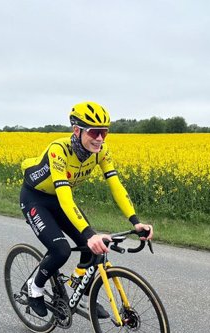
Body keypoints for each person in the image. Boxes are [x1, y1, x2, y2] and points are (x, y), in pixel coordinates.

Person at [19, 101, 153, 318]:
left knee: (91, 249)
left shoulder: (101, 152)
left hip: (60, 200)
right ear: (77, 130)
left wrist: (135, 221)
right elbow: (65, 196)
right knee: (60, 250)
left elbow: (116, 186)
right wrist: (90, 234)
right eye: (94, 132)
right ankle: (35, 288)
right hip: (35, 199)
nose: (100, 138)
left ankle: (80, 291)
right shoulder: (59, 151)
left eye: (104, 132)